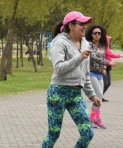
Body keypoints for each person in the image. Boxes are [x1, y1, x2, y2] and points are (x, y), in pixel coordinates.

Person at [42, 11, 101, 148]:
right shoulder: (59, 42)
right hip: (58, 93)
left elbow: (84, 73)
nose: (85, 26)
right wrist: (79, 57)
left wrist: (92, 95)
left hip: (76, 95)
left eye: (86, 24)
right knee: (54, 133)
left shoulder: (85, 43)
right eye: (81, 23)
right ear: (71, 25)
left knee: (88, 133)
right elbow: (59, 68)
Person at [85, 24, 109, 129]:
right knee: (98, 95)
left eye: (99, 33)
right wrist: (108, 62)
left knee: (99, 96)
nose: (97, 35)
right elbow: (93, 58)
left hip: (99, 73)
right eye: (95, 33)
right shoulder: (89, 45)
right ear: (91, 34)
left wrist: (104, 67)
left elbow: (102, 57)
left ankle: (92, 119)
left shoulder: (102, 46)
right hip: (91, 72)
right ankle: (96, 119)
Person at [103, 33, 123, 101]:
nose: (109, 40)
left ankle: (100, 96)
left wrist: (111, 63)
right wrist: (120, 55)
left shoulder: (108, 47)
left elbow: (109, 56)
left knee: (108, 83)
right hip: (104, 67)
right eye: (109, 39)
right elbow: (111, 54)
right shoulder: (104, 48)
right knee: (105, 83)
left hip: (108, 66)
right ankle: (98, 96)